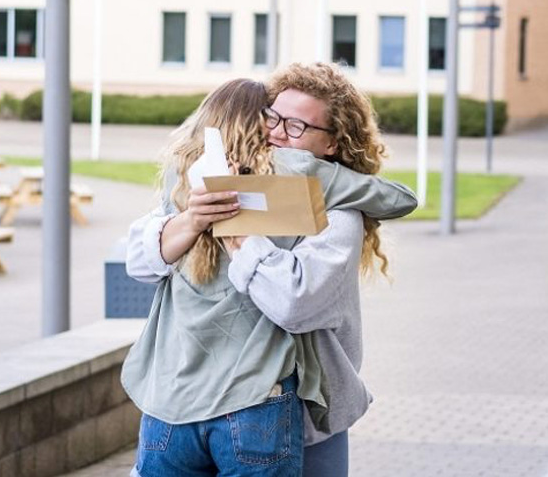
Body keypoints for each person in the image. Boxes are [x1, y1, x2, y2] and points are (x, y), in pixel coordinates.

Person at [123, 73, 416, 476]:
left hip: (257, 407)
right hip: (248, 403)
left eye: (296, 126)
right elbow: (140, 260)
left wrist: (232, 229)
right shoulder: (203, 189)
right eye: (272, 118)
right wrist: (195, 218)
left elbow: (294, 302)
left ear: (333, 142)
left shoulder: (327, 208)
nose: (277, 133)